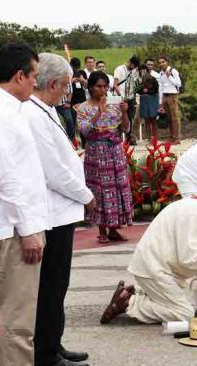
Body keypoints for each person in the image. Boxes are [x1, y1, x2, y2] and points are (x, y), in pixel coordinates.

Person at [0, 43, 65, 366]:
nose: (36, 81)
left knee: (25, 308)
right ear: (20, 76)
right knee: (17, 313)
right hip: (14, 228)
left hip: (22, 223)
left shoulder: (9, 109)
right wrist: (28, 229)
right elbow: (7, 177)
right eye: (33, 74)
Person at [23, 53, 96, 366]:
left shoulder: (47, 110)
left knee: (59, 285)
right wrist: (86, 195)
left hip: (62, 212)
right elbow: (52, 170)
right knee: (51, 286)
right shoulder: (33, 114)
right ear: (51, 83)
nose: (67, 92)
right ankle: (45, 354)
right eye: (65, 86)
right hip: (53, 212)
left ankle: (54, 342)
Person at [100, 181, 197, 325]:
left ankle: (136, 293)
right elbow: (190, 259)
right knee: (184, 314)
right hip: (153, 269)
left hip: (162, 267)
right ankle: (129, 303)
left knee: (192, 304)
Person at [75, 71, 133, 244]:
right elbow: (84, 131)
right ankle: (102, 230)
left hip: (115, 150)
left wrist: (124, 112)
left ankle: (114, 228)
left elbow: (126, 128)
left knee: (116, 186)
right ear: (91, 88)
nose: (103, 90)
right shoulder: (83, 108)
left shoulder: (114, 105)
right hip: (97, 152)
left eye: (105, 86)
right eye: (99, 86)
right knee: (100, 188)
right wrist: (98, 112)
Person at [113, 56, 140, 144]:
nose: (132, 67)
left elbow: (135, 84)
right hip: (121, 98)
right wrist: (121, 96)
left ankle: (129, 138)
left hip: (131, 97)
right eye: (132, 64)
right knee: (120, 118)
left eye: (134, 66)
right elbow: (115, 85)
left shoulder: (134, 71)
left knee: (130, 117)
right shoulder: (119, 69)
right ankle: (118, 137)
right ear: (129, 61)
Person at [157, 55, 182, 144]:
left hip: (173, 95)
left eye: (163, 62)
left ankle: (177, 138)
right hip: (165, 95)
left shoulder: (173, 71)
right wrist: (160, 102)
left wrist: (169, 77)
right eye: (160, 63)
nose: (161, 64)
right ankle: (172, 137)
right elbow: (161, 87)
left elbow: (179, 84)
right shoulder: (160, 73)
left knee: (175, 117)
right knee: (169, 118)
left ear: (167, 62)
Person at [137, 64, 160, 143]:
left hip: (152, 101)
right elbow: (137, 90)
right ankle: (149, 139)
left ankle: (155, 139)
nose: (142, 72)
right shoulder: (139, 80)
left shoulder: (152, 79)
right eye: (141, 71)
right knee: (146, 121)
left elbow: (156, 90)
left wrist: (147, 91)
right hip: (144, 101)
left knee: (153, 120)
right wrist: (142, 89)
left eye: (144, 70)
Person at [69, 57, 88, 139]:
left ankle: (84, 141)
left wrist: (82, 80)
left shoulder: (82, 72)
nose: (76, 68)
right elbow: (66, 83)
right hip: (72, 99)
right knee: (72, 121)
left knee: (83, 121)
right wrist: (74, 80)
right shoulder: (69, 73)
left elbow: (86, 86)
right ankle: (73, 140)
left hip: (82, 98)